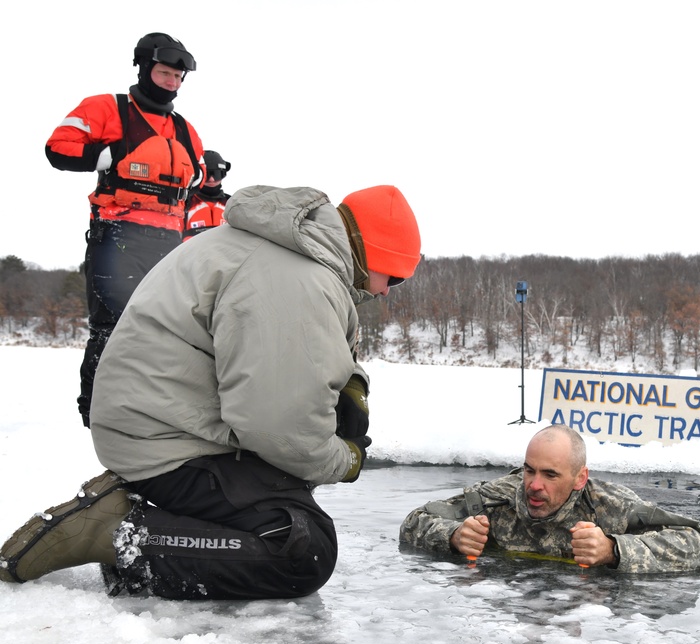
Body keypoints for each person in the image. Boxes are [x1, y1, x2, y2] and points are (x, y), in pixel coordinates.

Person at [0, 184, 422, 600]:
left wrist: (351, 383)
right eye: (395, 277)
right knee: (301, 549)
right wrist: (343, 460)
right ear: (373, 253)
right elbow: (276, 425)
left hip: (170, 425)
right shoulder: (297, 276)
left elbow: (291, 364)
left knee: (294, 502)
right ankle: (120, 534)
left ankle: (149, 521)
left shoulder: (279, 255)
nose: (386, 290)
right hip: (166, 444)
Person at [45, 32, 205, 428]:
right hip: (117, 233)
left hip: (169, 242)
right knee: (113, 327)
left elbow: (198, 175)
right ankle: (97, 411)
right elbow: (57, 148)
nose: (172, 83)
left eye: (178, 77)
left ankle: (156, 409)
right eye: (165, 73)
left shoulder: (185, 129)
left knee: (168, 331)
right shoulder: (108, 108)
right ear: (145, 68)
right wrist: (108, 155)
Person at [399, 425, 700, 573]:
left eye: (550, 475)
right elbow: (414, 521)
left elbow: (698, 544)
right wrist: (453, 536)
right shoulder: (498, 499)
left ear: (579, 478)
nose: (534, 486)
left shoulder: (610, 507)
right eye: (529, 470)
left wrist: (614, 550)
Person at [184, 150, 232, 240]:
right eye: (207, 174)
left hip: (227, 253)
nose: (211, 179)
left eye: (217, 174)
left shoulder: (232, 204)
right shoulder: (184, 203)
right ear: (198, 175)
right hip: (193, 253)